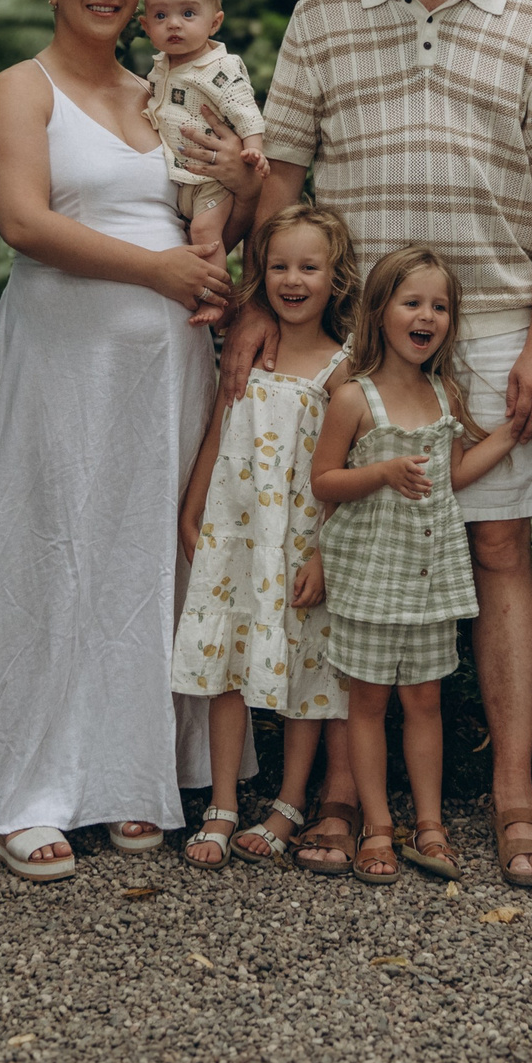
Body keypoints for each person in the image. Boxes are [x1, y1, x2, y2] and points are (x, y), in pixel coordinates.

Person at [229, 0, 532, 889]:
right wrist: (260, 305)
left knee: (498, 553)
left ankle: (514, 800)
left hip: (488, 327)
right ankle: (342, 793)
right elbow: (283, 175)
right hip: (353, 338)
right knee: (346, 560)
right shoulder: (325, 11)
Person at [0, 0, 263, 882]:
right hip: (59, 358)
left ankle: (135, 774)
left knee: (140, 557)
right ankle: (29, 784)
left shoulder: (166, 90)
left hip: (163, 369)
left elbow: (222, 212)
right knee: (51, 549)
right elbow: (25, 223)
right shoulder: (20, 89)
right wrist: (159, 273)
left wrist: (235, 199)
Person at [307, 246, 523, 884]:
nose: (427, 315)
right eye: (412, 303)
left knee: (424, 701)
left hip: (430, 577)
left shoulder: (443, 392)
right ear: (381, 312)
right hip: (371, 578)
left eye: (440, 306)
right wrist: (381, 472)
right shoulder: (354, 398)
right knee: (368, 704)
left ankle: (428, 823)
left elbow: (452, 476)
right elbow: (323, 482)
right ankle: (376, 826)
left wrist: (510, 434)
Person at [170, 203, 360, 869]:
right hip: (239, 532)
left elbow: (346, 469)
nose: (292, 278)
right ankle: (222, 802)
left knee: (305, 667)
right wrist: (192, 508)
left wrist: (324, 551)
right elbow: (220, 430)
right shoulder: (249, 353)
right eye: (278, 265)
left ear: (335, 279)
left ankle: (287, 801)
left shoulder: (341, 368)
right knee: (228, 660)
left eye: (309, 266)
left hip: (300, 541)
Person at [141, 0, 268, 269]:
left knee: (203, 230)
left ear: (214, 22)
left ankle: (215, 293)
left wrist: (254, 149)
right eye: (161, 15)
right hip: (183, 178)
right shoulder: (160, 67)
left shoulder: (218, 68)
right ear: (146, 28)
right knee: (183, 233)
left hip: (212, 179)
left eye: (188, 14)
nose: (173, 24)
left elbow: (246, 110)